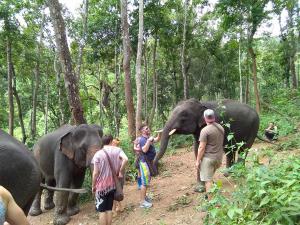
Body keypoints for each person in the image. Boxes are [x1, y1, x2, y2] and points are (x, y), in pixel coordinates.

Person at [92, 135, 128, 225]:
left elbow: (95, 173)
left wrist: (93, 185)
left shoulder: (98, 154)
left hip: (101, 187)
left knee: (102, 211)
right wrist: (120, 171)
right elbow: (125, 159)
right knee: (109, 209)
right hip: (112, 186)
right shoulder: (117, 150)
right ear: (111, 141)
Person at [195, 109, 224, 200]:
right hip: (218, 158)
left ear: (205, 118)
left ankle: (211, 203)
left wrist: (197, 160)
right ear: (214, 117)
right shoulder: (221, 127)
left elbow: (201, 147)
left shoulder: (205, 131)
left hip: (208, 159)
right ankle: (211, 195)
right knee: (210, 178)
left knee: (208, 181)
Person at [137, 124, 162, 208]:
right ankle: (142, 202)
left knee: (147, 181)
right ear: (143, 131)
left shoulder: (148, 138)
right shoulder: (142, 139)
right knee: (144, 182)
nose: (149, 129)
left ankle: (145, 198)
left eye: (148, 128)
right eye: (146, 128)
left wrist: (159, 133)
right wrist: (148, 141)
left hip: (149, 162)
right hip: (144, 163)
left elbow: (157, 139)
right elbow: (144, 150)